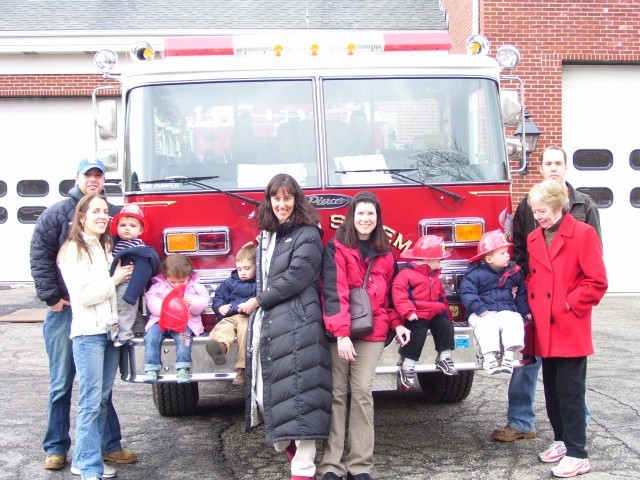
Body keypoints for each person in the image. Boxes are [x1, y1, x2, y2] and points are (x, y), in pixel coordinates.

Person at [30, 158, 137, 471]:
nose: (93, 179)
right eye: (87, 174)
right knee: (63, 384)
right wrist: (52, 298)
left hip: (104, 317)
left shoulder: (111, 214)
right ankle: (56, 448)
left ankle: (108, 446)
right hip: (69, 310)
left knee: (98, 390)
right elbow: (40, 253)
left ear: (103, 180)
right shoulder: (57, 215)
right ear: (76, 178)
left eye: (98, 175)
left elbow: (126, 248)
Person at [492, 145, 602, 442]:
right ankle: (526, 423)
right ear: (540, 168)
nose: (553, 167)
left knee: (569, 383)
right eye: (548, 163)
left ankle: (576, 437)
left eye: (558, 163)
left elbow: (593, 269)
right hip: (537, 305)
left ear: (565, 168)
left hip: (566, 311)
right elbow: (520, 251)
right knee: (532, 371)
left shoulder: (584, 208)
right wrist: (521, 290)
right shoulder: (530, 208)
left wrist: (570, 302)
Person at [239, 173, 332, 480]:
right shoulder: (268, 235)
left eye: (287, 198)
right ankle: (289, 447)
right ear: (269, 201)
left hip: (300, 321)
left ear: (296, 200)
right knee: (267, 396)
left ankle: (303, 470)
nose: (281, 204)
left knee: (301, 397)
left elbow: (297, 277)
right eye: (276, 198)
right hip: (273, 323)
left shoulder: (307, 233)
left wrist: (258, 302)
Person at [319, 191, 411, 480]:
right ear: (352, 216)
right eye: (360, 213)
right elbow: (334, 293)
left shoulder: (386, 253)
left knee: (361, 394)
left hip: (373, 332)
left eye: (371, 214)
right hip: (340, 333)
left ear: (377, 218)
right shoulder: (335, 248)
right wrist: (342, 334)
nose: (365, 219)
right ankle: (331, 465)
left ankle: (359, 466)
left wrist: (397, 323)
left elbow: (391, 297)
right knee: (336, 394)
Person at [526, 179, 607, 478]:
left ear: (559, 205)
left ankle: (578, 453)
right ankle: (561, 440)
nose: (539, 216)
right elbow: (535, 280)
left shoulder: (583, 234)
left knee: (571, 393)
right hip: (544, 327)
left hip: (569, 325)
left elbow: (597, 281)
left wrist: (568, 304)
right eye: (535, 211)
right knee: (552, 392)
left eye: (543, 210)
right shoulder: (534, 237)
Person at [57, 193, 134, 480]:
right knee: (90, 402)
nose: (103, 216)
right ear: (81, 217)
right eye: (96, 212)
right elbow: (85, 296)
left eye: (105, 211)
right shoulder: (73, 251)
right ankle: (88, 467)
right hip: (89, 334)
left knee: (101, 399)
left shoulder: (104, 247)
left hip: (109, 332)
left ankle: (84, 459)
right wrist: (114, 280)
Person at [392, 234, 457, 392]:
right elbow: (398, 294)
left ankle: (444, 357)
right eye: (439, 259)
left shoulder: (434, 276)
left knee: (446, 327)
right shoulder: (405, 275)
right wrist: (407, 312)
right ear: (428, 260)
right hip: (416, 313)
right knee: (416, 334)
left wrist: (448, 316)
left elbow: (442, 298)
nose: (441, 262)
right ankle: (407, 366)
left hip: (434, 312)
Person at [460, 230, 530, 375]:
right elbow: (467, 292)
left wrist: (525, 311)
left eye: (507, 252)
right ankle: (489, 359)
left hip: (506, 310)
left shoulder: (514, 272)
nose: (508, 255)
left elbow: (522, 292)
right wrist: (477, 307)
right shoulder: (475, 274)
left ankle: (509, 357)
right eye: (502, 253)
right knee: (486, 325)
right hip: (482, 312)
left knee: (514, 320)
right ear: (489, 259)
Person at [143, 254, 209, 383]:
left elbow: (203, 303)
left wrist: (191, 303)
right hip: (160, 321)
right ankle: (151, 368)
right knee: (151, 337)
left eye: (182, 281)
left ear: (189, 276)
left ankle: (183, 368)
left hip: (185, 322)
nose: (177, 285)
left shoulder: (196, 288)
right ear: (165, 275)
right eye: (172, 282)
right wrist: (169, 305)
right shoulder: (158, 287)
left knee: (184, 338)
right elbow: (151, 302)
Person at [109, 203, 161, 346]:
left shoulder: (139, 248)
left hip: (128, 285)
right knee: (130, 310)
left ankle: (124, 335)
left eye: (132, 226)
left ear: (140, 230)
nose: (127, 228)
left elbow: (143, 269)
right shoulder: (116, 243)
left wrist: (131, 293)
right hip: (116, 282)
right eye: (123, 225)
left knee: (125, 308)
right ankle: (138, 329)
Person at [205, 244, 257, 386]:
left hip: (247, 317)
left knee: (245, 334)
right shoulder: (229, 282)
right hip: (230, 316)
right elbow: (219, 296)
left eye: (247, 269)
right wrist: (219, 307)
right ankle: (219, 348)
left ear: (257, 266)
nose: (242, 273)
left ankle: (242, 370)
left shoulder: (259, 284)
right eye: (239, 269)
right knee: (222, 328)